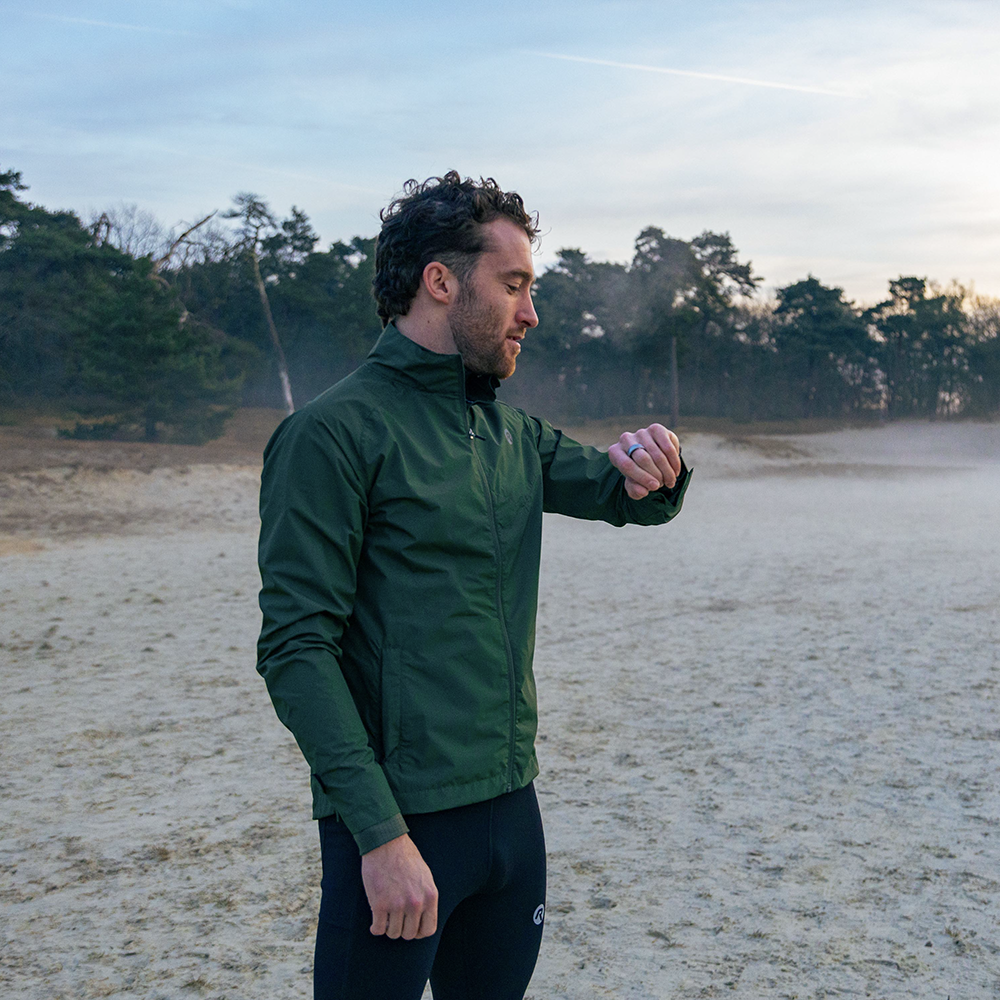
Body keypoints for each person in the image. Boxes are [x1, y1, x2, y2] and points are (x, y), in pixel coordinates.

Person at [256, 171, 691, 1000]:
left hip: (510, 816)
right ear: (441, 281)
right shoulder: (331, 434)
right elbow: (295, 649)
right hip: (399, 829)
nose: (531, 313)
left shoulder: (509, 433)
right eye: (514, 285)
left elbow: (623, 494)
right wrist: (379, 835)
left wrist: (656, 465)